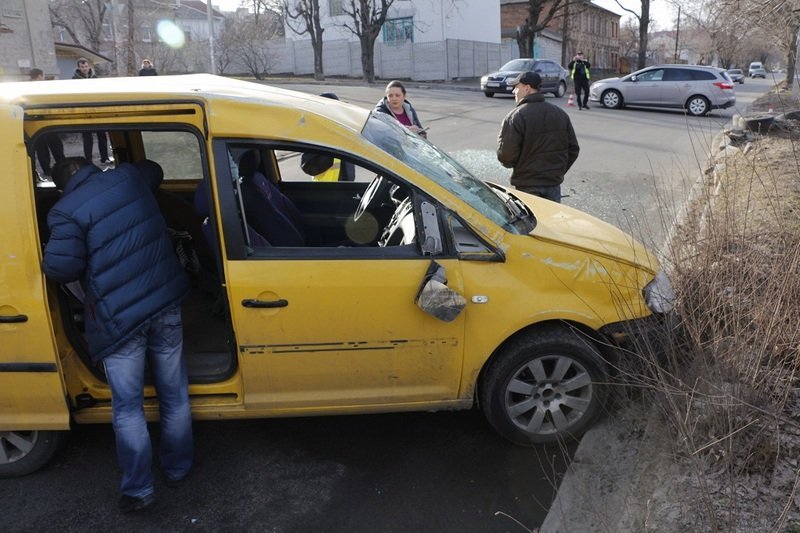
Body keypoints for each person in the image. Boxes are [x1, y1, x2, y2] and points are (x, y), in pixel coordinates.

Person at [42, 156, 193, 514]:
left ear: (64, 184)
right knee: (174, 394)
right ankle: (178, 469)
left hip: (120, 322)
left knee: (128, 408)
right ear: (90, 167)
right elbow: (155, 168)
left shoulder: (65, 211)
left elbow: (60, 269)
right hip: (165, 303)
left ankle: (140, 490)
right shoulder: (129, 178)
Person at [496, 72, 580, 203]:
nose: (514, 91)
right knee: (550, 221)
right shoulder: (560, 114)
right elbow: (573, 149)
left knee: (528, 222)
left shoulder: (516, 116)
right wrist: (556, 172)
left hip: (526, 185)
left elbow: (506, 155)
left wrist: (516, 167)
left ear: (527, 88)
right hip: (553, 184)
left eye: (516, 87)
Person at [300, 93, 356, 181]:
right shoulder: (318, 134)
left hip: (345, 188)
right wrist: (331, 150)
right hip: (325, 190)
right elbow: (308, 167)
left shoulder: (340, 132)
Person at [72, 58, 111, 164]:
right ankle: (88, 160)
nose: (84, 68)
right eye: (82, 67)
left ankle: (105, 157)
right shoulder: (74, 80)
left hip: (97, 110)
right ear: (79, 67)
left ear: (89, 66)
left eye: (86, 66)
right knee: (87, 137)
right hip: (84, 111)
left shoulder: (94, 78)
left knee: (101, 135)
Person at [29, 68, 65, 177]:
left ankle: (47, 170)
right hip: (48, 122)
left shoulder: (27, 88)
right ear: (40, 76)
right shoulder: (42, 88)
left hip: (35, 124)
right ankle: (62, 165)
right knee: (56, 145)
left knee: (41, 149)